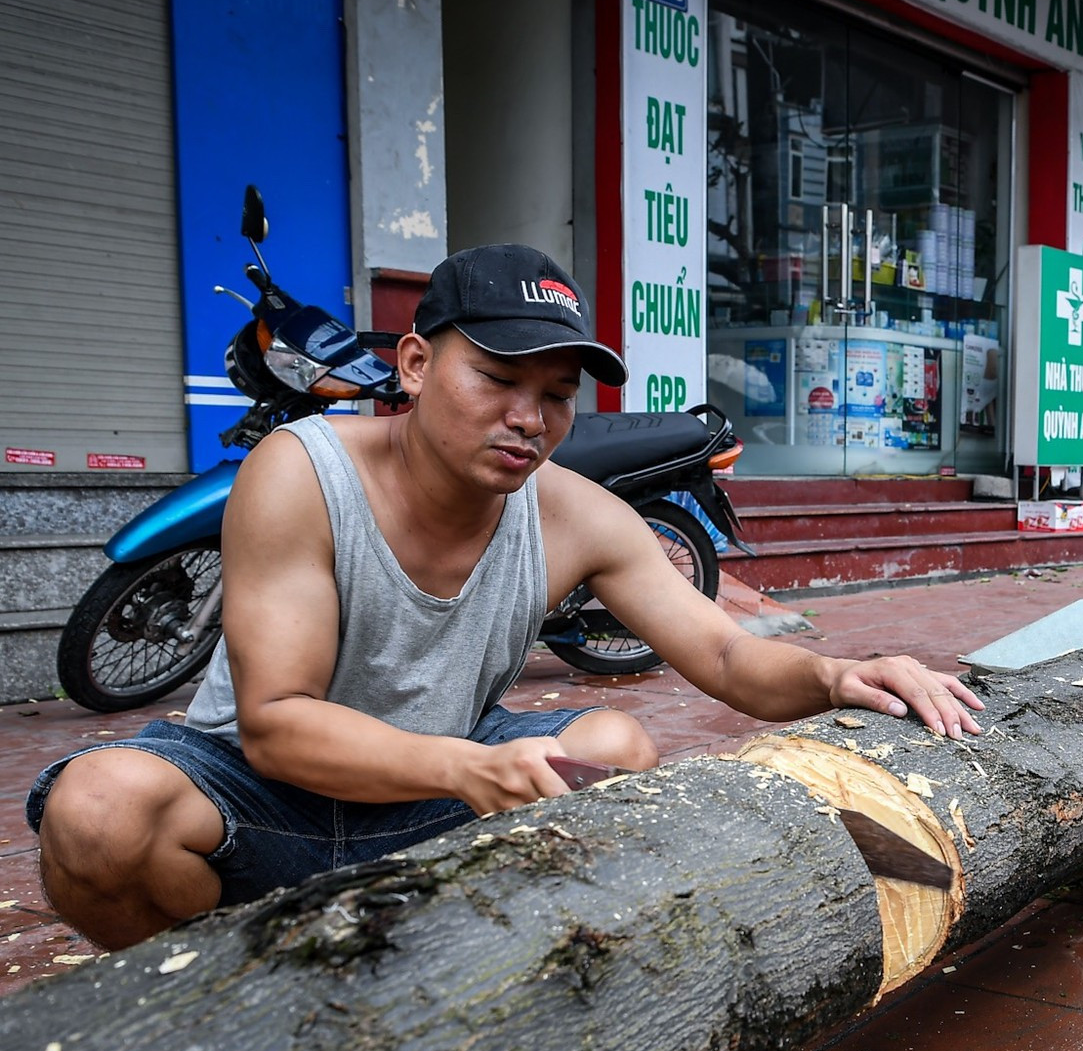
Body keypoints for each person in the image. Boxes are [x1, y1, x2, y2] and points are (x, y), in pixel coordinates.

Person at [28, 244, 984, 950]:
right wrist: (464, 770)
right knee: (100, 806)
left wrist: (838, 672)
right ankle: (212, 983)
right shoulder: (300, 472)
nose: (528, 418)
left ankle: (455, 976)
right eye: (494, 378)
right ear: (414, 367)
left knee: (615, 747)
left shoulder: (576, 514)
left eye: (557, 394)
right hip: (254, 794)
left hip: (430, 804)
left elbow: (728, 656)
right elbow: (276, 723)